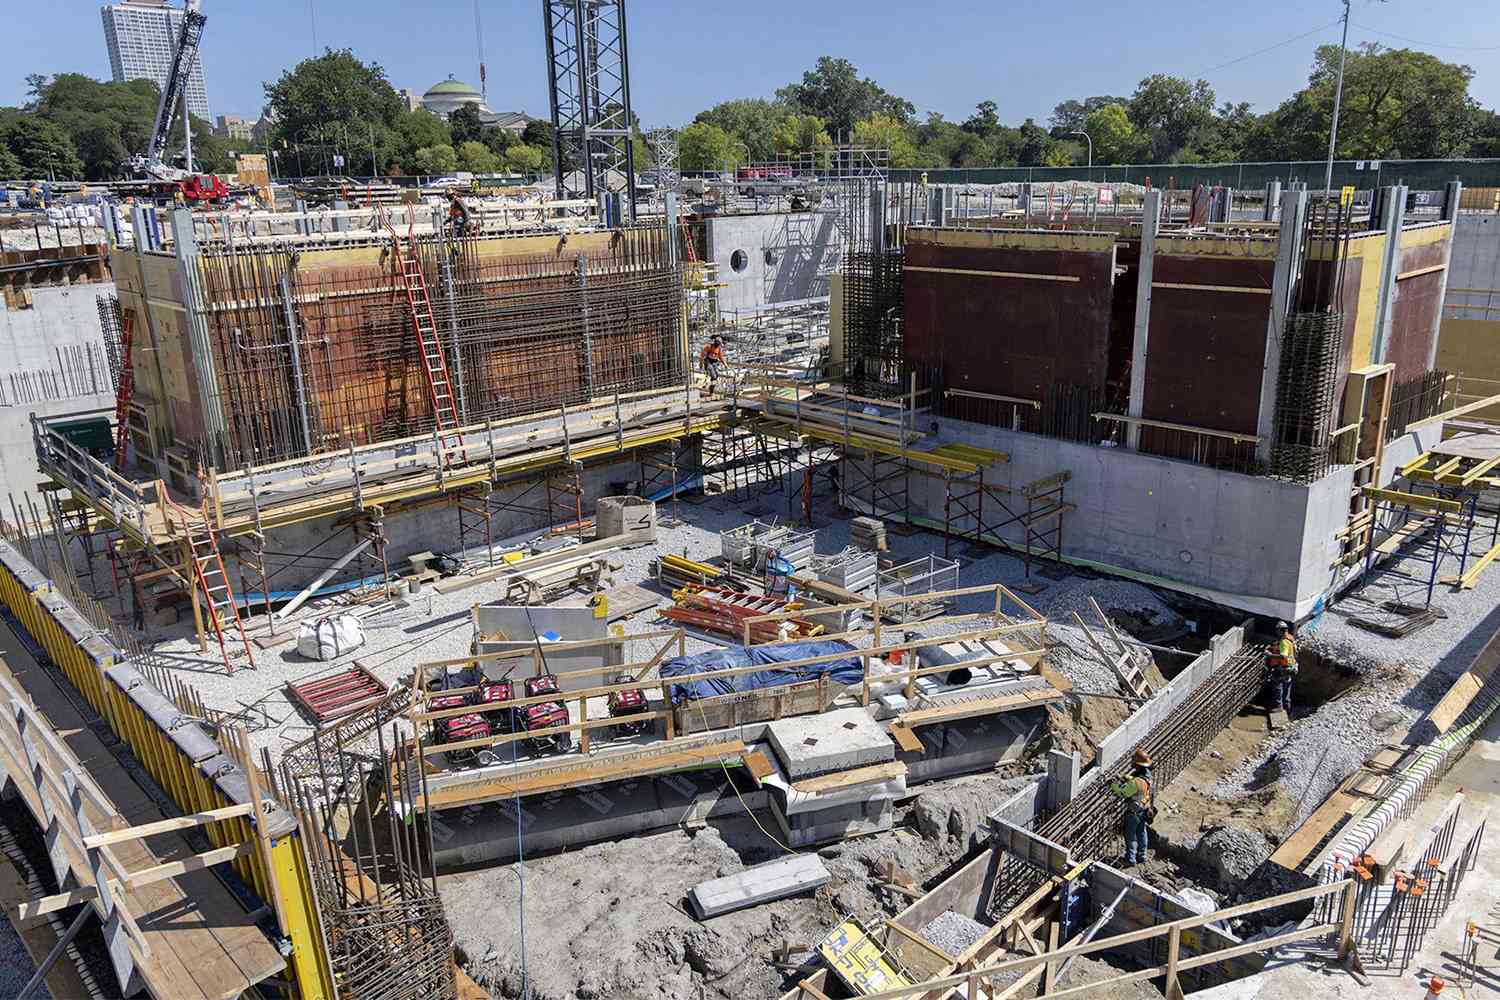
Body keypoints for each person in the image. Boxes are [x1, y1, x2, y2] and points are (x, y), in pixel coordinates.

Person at [1110, 749, 1154, 866]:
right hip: (1145, 810)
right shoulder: (1148, 776)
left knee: (1130, 834)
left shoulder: (1135, 783)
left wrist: (1113, 785)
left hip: (1134, 812)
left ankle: (1131, 858)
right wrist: (1126, 777)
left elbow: (1122, 793)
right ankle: (1142, 855)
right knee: (1141, 831)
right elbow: (1138, 781)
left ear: (1137, 765)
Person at [1267, 621, 1298, 711]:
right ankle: (1287, 707)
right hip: (1291, 667)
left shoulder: (1284, 642)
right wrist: (1273, 647)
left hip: (1283, 668)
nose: (1276, 632)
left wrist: (1270, 655)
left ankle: (1278, 707)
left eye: (1277, 631)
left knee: (1277, 686)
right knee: (1287, 686)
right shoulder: (1290, 639)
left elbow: (1283, 655)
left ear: (1281, 631)